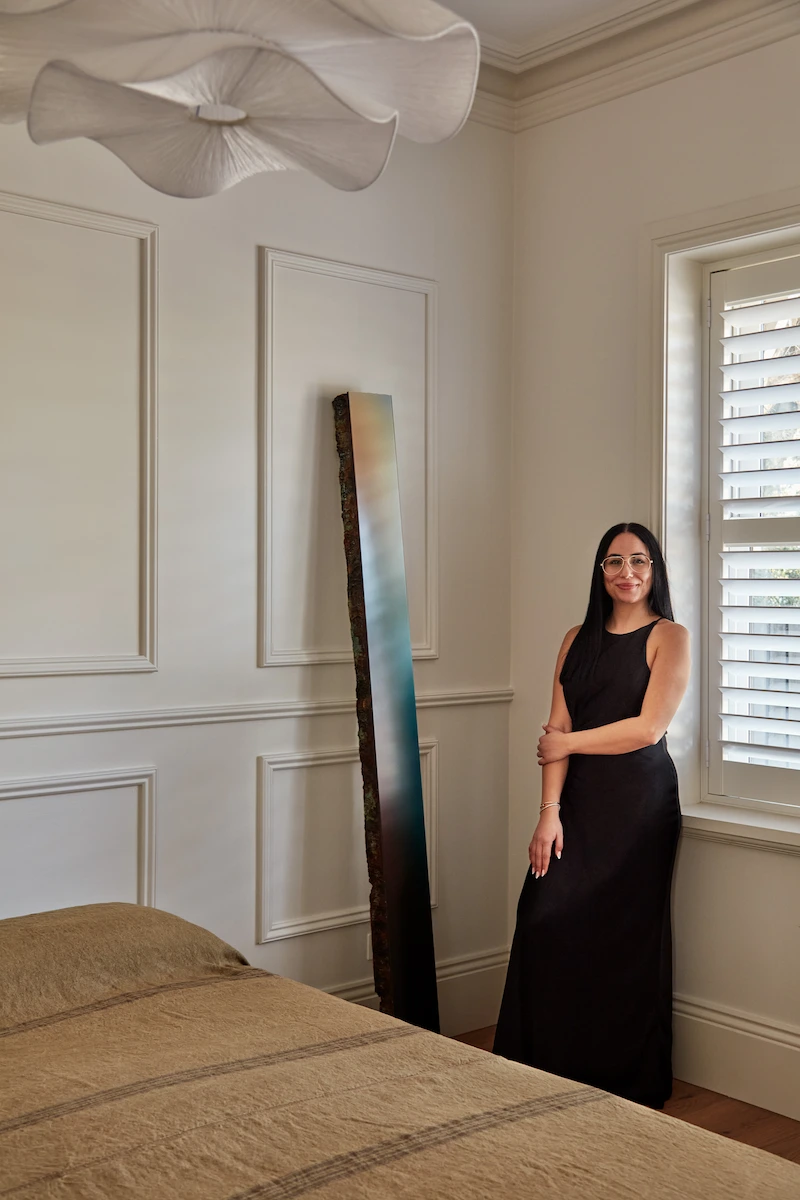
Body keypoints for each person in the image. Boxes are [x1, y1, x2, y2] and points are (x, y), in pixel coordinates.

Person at [493, 522, 691, 1109]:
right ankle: (539, 1073)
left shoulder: (670, 637)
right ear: (599, 572)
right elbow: (556, 728)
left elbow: (648, 728)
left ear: (654, 569)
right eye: (613, 562)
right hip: (576, 802)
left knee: (626, 940)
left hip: (640, 806)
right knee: (544, 919)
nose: (626, 573)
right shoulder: (574, 637)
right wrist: (547, 814)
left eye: (638, 561)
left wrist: (567, 746)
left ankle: (623, 1087)